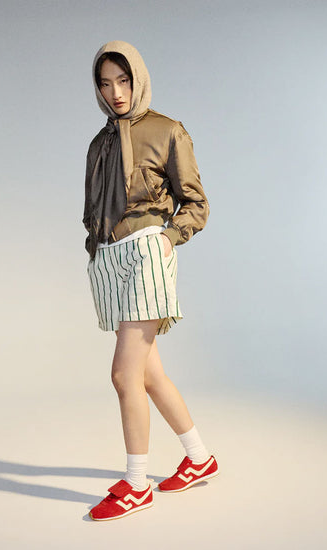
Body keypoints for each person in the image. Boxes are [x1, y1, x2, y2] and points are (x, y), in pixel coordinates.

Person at [83, 41, 218, 521]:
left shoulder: (167, 130)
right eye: (105, 84)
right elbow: (93, 210)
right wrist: (95, 253)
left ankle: (136, 484)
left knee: (124, 375)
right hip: (111, 259)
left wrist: (168, 237)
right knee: (149, 373)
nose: (115, 92)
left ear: (137, 78)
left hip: (146, 252)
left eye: (123, 80)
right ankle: (199, 457)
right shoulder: (98, 144)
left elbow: (196, 203)